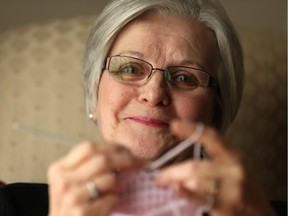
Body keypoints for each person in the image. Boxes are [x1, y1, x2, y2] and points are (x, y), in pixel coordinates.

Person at [0, 0, 286, 215]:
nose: (153, 93)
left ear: (217, 110)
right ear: (94, 93)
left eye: (186, 77)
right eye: (129, 68)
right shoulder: (12, 206)